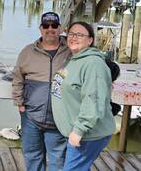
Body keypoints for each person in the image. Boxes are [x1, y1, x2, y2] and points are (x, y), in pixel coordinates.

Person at [51, 21, 115, 171]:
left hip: (87, 135)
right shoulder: (73, 59)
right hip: (74, 132)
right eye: (71, 34)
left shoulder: (93, 63)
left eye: (80, 35)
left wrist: (79, 130)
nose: (74, 37)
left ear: (90, 40)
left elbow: (93, 99)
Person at [12, 12, 71, 171]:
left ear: (60, 28)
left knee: (58, 160)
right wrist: (19, 103)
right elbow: (17, 78)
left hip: (59, 118)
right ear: (40, 29)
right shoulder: (27, 51)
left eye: (54, 26)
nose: (50, 29)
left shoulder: (71, 51)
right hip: (31, 116)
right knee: (32, 156)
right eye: (46, 26)